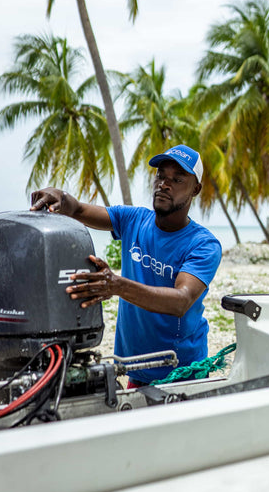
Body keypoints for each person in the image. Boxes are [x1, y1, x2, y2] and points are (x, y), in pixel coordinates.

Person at [30, 144, 222, 386]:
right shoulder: (133, 220)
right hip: (137, 366)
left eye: (177, 179)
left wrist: (116, 286)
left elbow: (181, 300)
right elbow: (77, 208)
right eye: (161, 176)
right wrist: (59, 196)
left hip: (181, 371)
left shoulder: (203, 244)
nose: (164, 184)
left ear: (195, 189)